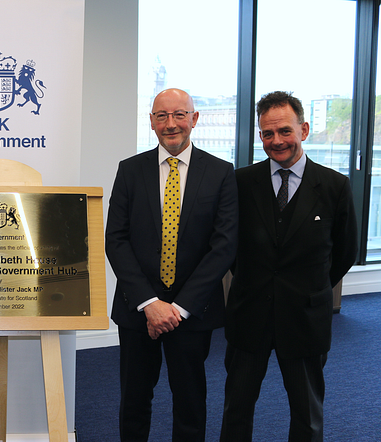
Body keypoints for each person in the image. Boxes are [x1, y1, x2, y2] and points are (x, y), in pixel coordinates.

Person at [220, 91, 358, 442]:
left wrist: (309, 288)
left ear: (304, 129)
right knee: (236, 410)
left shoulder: (335, 186)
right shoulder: (240, 182)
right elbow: (228, 246)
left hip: (305, 319)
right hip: (249, 314)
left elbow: (344, 252)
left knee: (307, 416)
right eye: (267, 133)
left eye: (284, 131)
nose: (276, 141)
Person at [106, 88, 238, 441]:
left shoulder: (221, 173)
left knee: (191, 401)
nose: (171, 123)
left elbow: (223, 247)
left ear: (194, 119)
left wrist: (177, 309)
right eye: (162, 116)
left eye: (179, 114)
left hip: (192, 311)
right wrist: (151, 304)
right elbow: (115, 241)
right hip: (138, 310)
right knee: (134, 399)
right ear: (151, 122)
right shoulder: (130, 170)